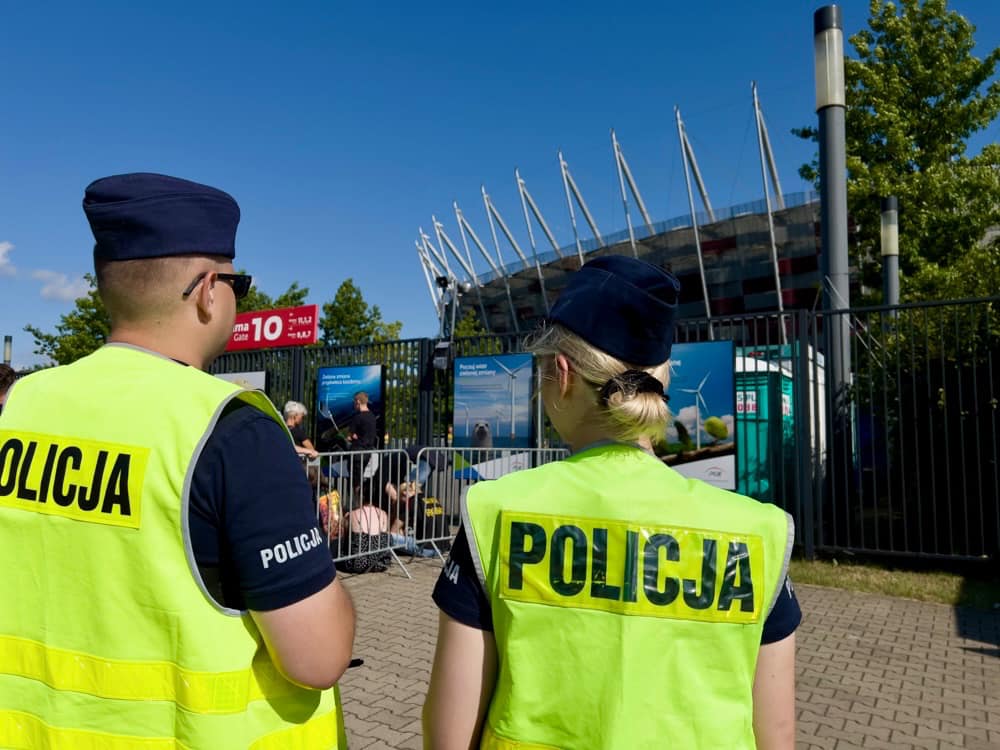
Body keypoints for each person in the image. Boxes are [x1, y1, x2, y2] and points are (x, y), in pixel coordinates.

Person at [0, 173, 355, 748]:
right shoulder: (232, 428)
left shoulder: (21, 404)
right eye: (239, 281)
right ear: (209, 289)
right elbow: (317, 658)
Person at [423, 255, 799, 749]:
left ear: (562, 374)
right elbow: (776, 734)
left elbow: (449, 735)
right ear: (662, 382)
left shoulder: (494, 511)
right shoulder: (757, 533)